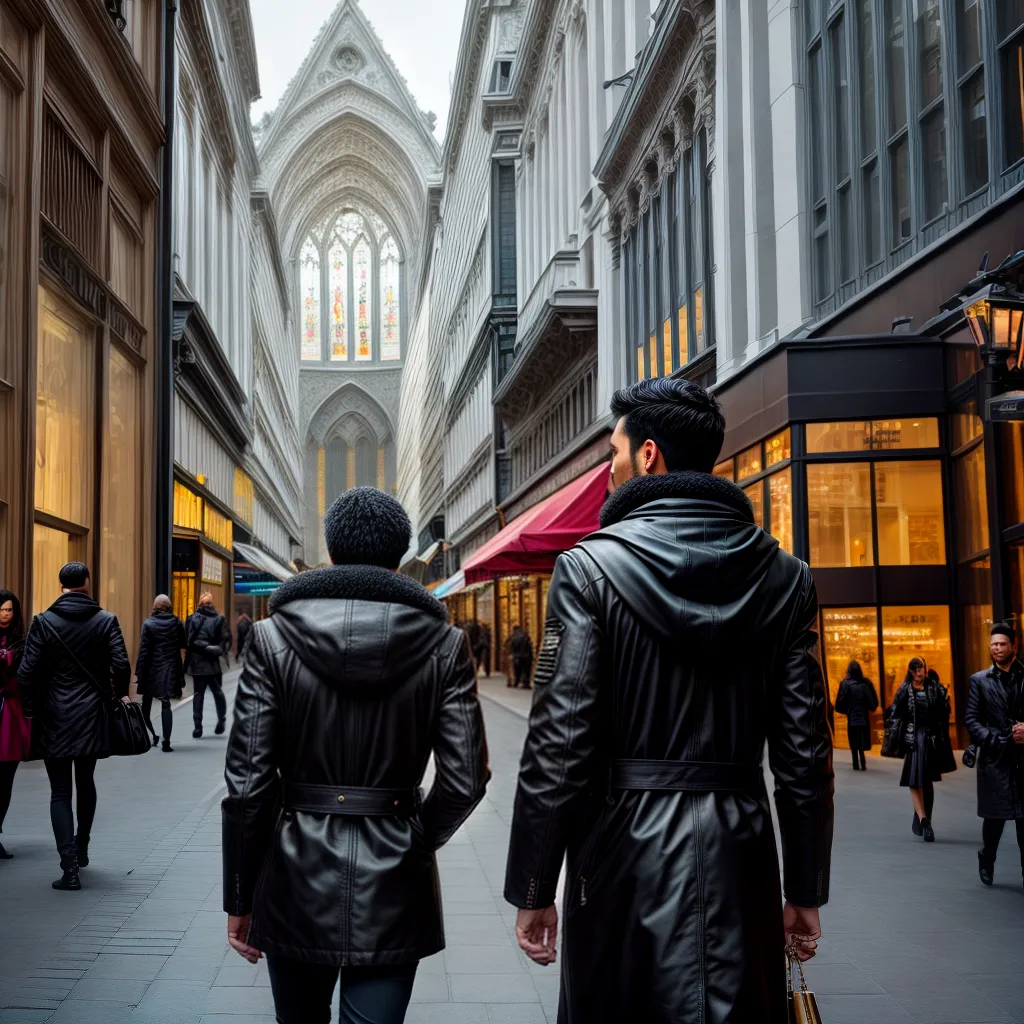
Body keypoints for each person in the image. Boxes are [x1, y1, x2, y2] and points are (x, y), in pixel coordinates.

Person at [504, 378, 834, 1024]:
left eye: (614, 453)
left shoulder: (588, 569)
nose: (609, 471)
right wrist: (804, 887)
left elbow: (558, 746)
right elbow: (805, 755)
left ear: (648, 454)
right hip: (741, 854)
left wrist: (535, 887)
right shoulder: (786, 578)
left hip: (621, 854)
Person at [223, 487, 489, 1024]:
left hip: (296, 872)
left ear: (331, 550)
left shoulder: (271, 640)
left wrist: (240, 895)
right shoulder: (445, 644)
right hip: (395, 880)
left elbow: (248, 785)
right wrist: (415, 836)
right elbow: (465, 780)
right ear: (401, 555)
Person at [18, 562, 131, 890]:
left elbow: (25, 672)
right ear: (87, 583)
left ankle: (68, 868)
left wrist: (31, 708)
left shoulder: (43, 622)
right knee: (86, 780)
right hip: (92, 714)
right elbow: (121, 664)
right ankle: (82, 847)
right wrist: (119, 694)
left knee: (59, 791)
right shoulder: (106, 620)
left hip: (54, 715)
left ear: (61, 585)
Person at [966, 622, 1024, 887]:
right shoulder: (979, 680)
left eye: (1002, 644)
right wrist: (994, 740)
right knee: (994, 820)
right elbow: (972, 719)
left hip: (1022, 760)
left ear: (1014, 646)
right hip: (995, 759)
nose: (997, 648)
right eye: (993, 644)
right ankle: (987, 856)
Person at [888, 656, 954, 843]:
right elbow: (895, 713)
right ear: (910, 671)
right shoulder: (904, 689)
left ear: (925, 668)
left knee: (926, 781)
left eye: (921, 668)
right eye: (915, 669)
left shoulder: (934, 688)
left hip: (930, 739)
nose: (918, 672)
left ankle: (925, 818)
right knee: (914, 780)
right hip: (913, 740)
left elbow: (943, 714)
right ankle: (923, 819)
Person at [136, 595, 186, 753]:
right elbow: (183, 644)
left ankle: (151, 734)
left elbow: (143, 651)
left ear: (155, 607)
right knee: (166, 703)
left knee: (146, 705)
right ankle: (166, 741)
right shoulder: (177, 623)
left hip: (151, 669)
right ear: (169, 608)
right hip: (169, 668)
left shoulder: (148, 624)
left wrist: (139, 672)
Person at [0, 590, 28, 858]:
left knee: (6, 777)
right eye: (1, 609)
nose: (5, 614)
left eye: (9, 609)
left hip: (10, 712)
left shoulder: (21, 641)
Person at [186, 592, 231, 739]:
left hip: (197, 663)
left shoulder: (191, 618)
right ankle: (221, 719)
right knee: (218, 692)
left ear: (199, 603)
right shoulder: (219, 619)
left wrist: (202, 647)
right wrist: (215, 649)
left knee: (198, 695)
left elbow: (188, 641)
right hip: (213, 663)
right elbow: (225, 639)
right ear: (211, 603)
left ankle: (197, 727)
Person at [835, 660, 879, 770]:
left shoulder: (845, 684)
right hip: (863, 716)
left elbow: (839, 704)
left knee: (853, 739)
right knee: (861, 739)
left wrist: (847, 710)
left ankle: (855, 763)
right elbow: (874, 701)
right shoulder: (866, 683)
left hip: (851, 715)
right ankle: (862, 762)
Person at [507, 625, 533, 689]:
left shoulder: (513, 637)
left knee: (517, 670)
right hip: (526, 656)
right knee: (526, 670)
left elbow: (511, 646)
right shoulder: (525, 636)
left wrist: (513, 654)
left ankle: (516, 682)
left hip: (517, 656)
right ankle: (526, 683)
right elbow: (529, 646)